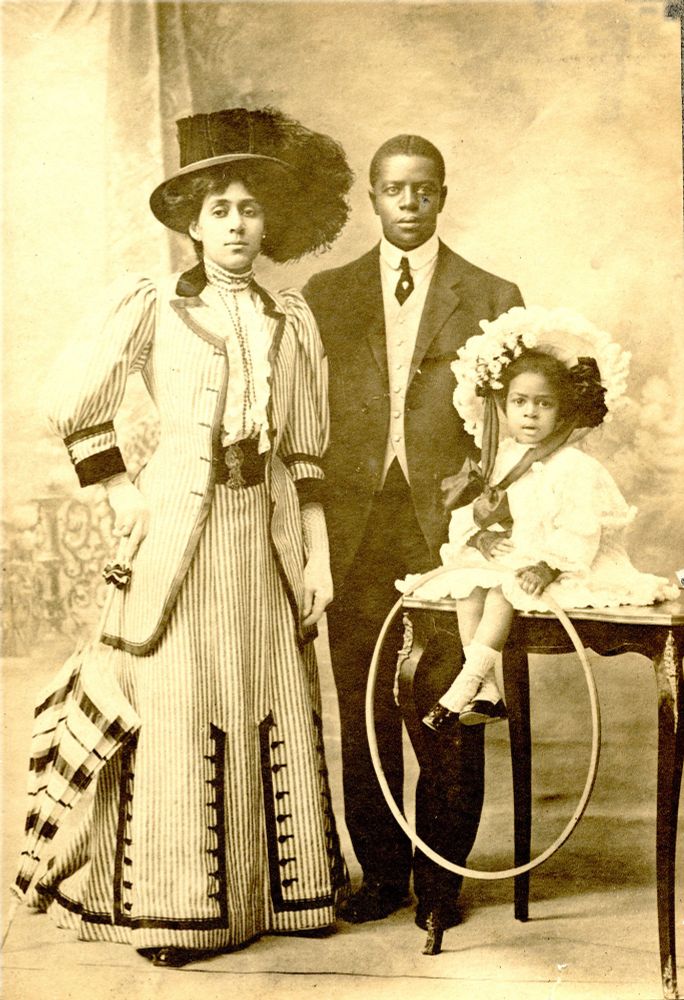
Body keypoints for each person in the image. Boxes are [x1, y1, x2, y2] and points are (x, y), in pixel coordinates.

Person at [32, 107, 353, 967]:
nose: (238, 226)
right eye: (220, 211)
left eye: (250, 209)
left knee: (266, 690)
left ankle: (275, 900)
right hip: (180, 532)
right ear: (190, 221)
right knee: (179, 702)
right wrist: (121, 496)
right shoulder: (153, 308)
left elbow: (308, 448)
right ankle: (178, 910)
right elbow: (77, 404)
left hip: (266, 533)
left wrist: (314, 553)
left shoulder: (292, 320)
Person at [302, 135, 523, 931]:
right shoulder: (327, 294)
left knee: (445, 702)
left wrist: (487, 502)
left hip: (445, 529)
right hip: (352, 519)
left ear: (442, 196)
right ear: (371, 195)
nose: (408, 203)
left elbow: (513, 426)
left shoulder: (493, 296)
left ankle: (441, 881)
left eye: (422, 190)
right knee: (361, 701)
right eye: (393, 189)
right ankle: (383, 873)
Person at [398, 306, 679, 733]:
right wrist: (481, 539)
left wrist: (548, 564)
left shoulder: (572, 466)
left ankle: (466, 684)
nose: (530, 414)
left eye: (543, 404)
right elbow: (470, 511)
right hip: (509, 560)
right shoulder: (499, 459)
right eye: (520, 402)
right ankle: (489, 690)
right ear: (503, 405)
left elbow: (581, 529)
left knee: (501, 592)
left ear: (563, 411)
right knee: (470, 587)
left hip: (559, 567)